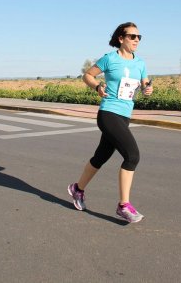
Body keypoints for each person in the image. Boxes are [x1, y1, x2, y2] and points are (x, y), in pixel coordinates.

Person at [68, 22, 153, 223]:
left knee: (101, 156)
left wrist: (148, 89)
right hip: (108, 113)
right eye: (132, 36)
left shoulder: (140, 63)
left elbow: (145, 84)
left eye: (139, 37)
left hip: (124, 115)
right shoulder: (109, 59)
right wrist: (97, 86)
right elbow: (87, 75)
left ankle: (77, 189)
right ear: (121, 38)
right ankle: (124, 205)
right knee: (132, 156)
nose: (136, 40)